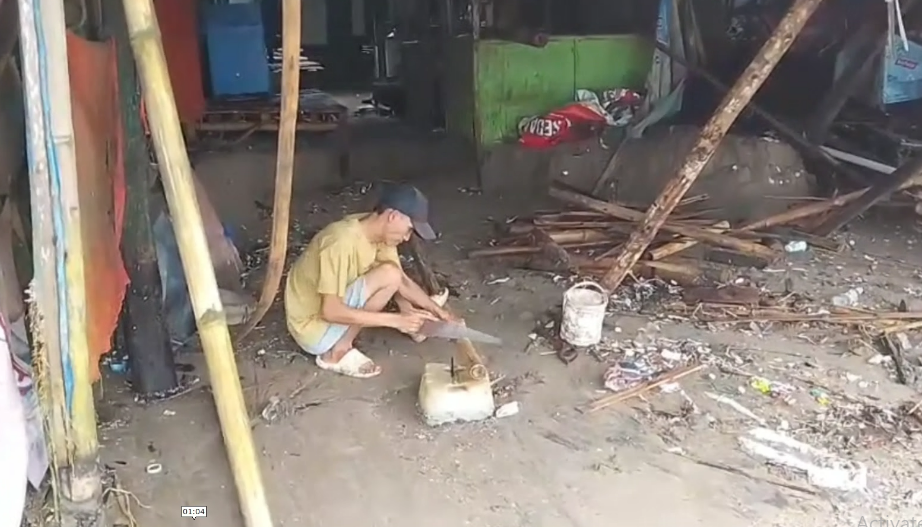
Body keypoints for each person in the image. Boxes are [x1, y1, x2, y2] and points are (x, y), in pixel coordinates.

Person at [284, 183, 457, 379]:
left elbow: (401, 281)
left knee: (391, 274)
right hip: (312, 329)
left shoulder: (373, 231)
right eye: (409, 229)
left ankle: (346, 344)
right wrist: (396, 321)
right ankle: (335, 353)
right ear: (393, 216)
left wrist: (441, 313)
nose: (408, 238)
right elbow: (330, 311)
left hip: (325, 316)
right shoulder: (340, 241)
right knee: (388, 275)